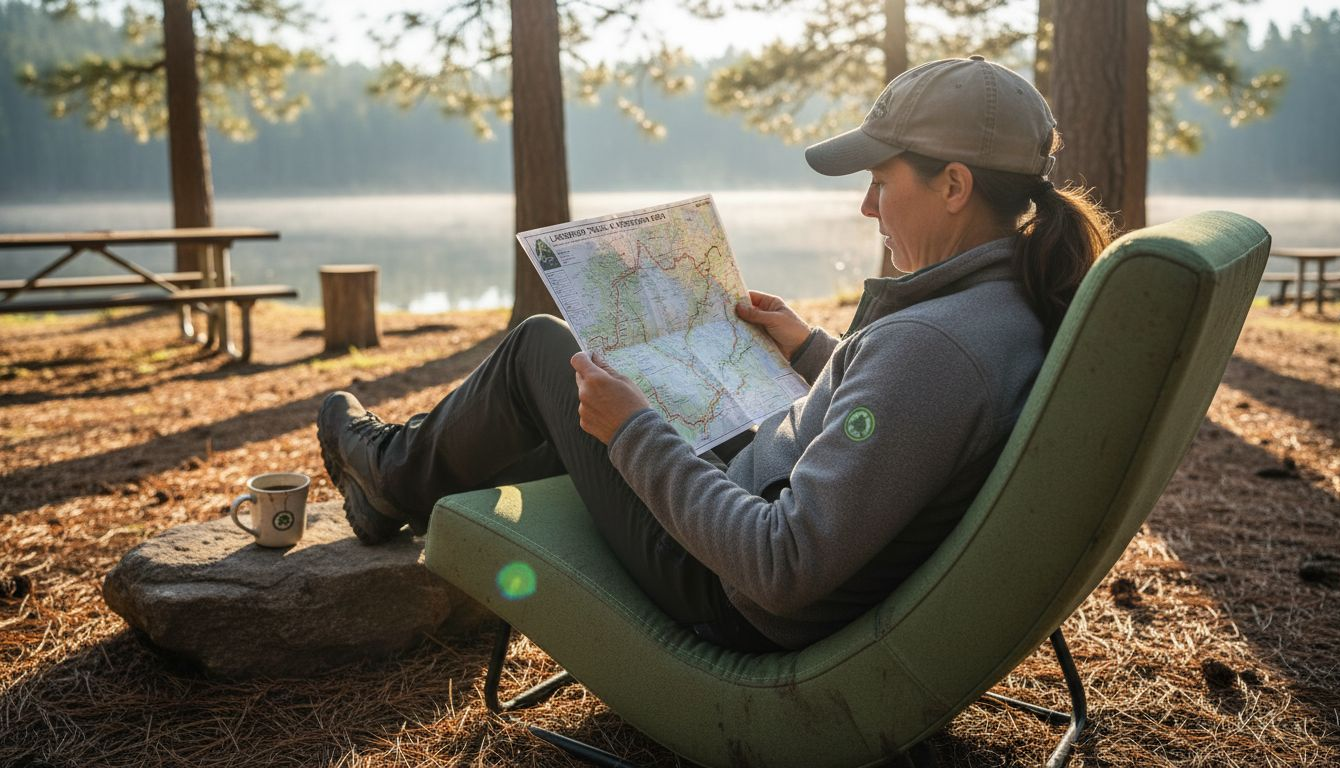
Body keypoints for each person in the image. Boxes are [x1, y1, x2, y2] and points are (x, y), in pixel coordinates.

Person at [316, 56, 1114, 652]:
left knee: (540, 350)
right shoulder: (1009, 306)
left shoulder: (934, 347)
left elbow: (780, 564)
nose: (867, 205)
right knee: (599, 381)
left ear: (955, 186)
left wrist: (633, 430)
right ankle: (406, 470)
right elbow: (904, 428)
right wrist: (812, 351)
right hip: (760, 490)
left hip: (721, 587)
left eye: (881, 180)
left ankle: (387, 473)